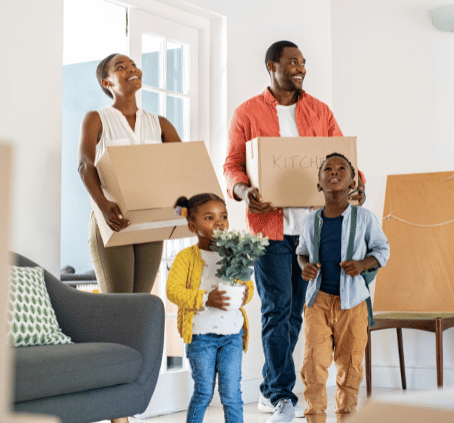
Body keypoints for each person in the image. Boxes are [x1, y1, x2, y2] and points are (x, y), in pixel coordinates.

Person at [223, 40, 365, 423]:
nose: (300, 68)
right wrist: (243, 191)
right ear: (272, 66)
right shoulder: (247, 113)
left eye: (303, 62)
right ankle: (283, 396)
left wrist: (359, 181)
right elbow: (232, 165)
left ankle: (270, 388)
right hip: (270, 229)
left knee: (297, 314)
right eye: (292, 62)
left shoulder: (320, 110)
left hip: (314, 231)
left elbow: (344, 157)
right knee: (276, 308)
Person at [77, 53, 182, 423]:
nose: (131, 70)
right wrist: (103, 204)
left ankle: (125, 400)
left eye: (134, 65)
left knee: (138, 313)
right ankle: (115, 410)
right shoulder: (98, 119)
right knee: (118, 312)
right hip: (113, 223)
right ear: (107, 82)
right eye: (120, 67)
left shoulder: (160, 123)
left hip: (150, 228)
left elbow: (182, 168)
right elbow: (85, 164)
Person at [296, 153, 389, 423]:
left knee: (350, 364)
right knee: (313, 363)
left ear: (353, 183)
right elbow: (301, 252)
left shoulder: (364, 218)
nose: (334, 172)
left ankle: (346, 417)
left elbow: (383, 249)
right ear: (319, 182)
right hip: (318, 301)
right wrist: (305, 266)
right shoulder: (310, 221)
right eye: (327, 169)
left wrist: (362, 264)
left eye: (341, 169)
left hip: (353, 303)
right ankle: (315, 416)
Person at [166, 193, 253, 423]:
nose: (219, 222)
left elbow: (248, 285)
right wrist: (205, 299)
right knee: (204, 392)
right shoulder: (186, 258)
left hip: (232, 336)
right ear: (193, 226)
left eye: (223, 216)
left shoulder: (234, 254)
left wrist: (245, 294)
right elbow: (173, 291)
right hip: (201, 337)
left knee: (232, 394)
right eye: (209, 217)